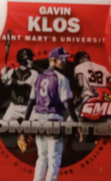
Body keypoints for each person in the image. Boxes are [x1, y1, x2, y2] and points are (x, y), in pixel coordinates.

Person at [25, 47, 76, 181]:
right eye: (62, 58)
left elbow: (31, 102)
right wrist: (77, 123)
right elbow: (67, 104)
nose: (65, 61)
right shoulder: (61, 78)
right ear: (53, 60)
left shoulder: (38, 77)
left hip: (38, 122)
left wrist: (25, 123)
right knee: (54, 159)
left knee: (42, 157)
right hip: (53, 120)